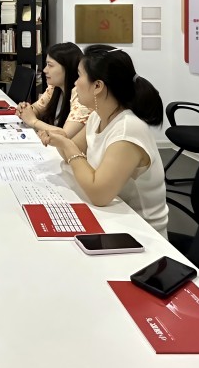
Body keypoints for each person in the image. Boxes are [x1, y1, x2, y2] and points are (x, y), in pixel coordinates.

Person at [38, 45, 169, 238]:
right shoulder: (97, 117)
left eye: (79, 76)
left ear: (98, 86)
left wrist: (66, 144)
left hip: (142, 235)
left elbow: (99, 194)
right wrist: (60, 141)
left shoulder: (128, 128)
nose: (75, 83)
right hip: (114, 219)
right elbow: (70, 155)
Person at [15, 42, 90, 137]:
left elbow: (65, 134)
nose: (45, 70)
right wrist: (26, 110)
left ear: (67, 68)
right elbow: (37, 108)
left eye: (50, 65)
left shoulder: (81, 94)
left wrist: (33, 121)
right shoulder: (54, 87)